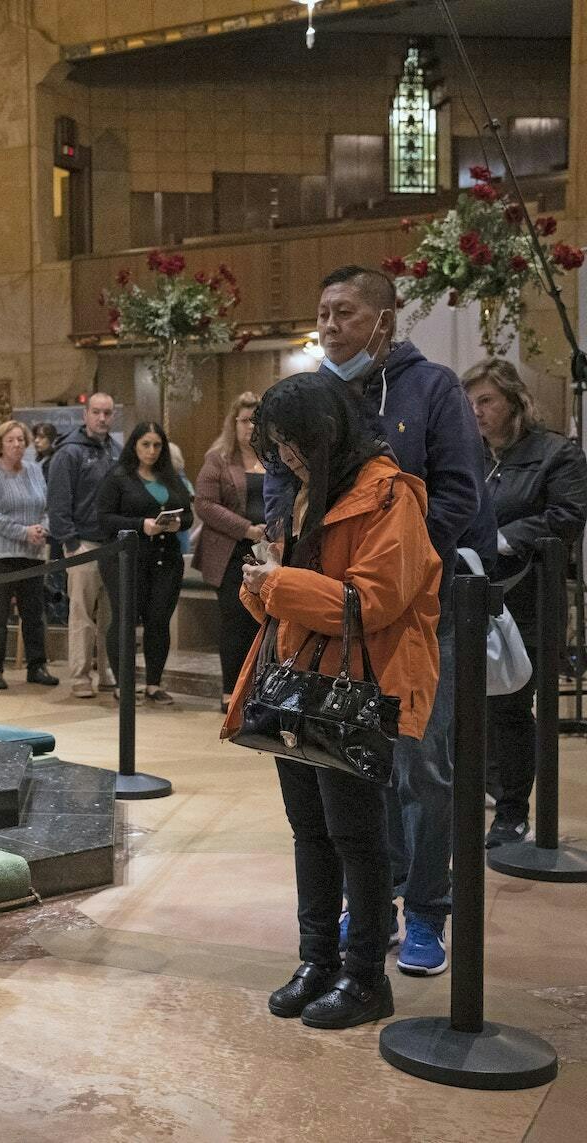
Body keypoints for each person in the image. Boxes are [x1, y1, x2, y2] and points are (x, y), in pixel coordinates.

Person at [268, 265, 491, 977]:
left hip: (415, 611)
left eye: (344, 312)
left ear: (385, 320)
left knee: (421, 766)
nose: (329, 325)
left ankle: (426, 909)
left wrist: (398, 565)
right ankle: (374, 907)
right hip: (331, 617)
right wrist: (286, 547)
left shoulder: (433, 390)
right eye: (322, 313)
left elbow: (460, 492)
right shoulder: (316, 394)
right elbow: (284, 482)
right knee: (351, 764)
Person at [226, 372, 441, 1030]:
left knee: (358, 837)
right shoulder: (307, 494)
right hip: (298, 682)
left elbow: (370, 602)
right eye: (277, 445)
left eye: (295, 444)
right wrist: (261, 585)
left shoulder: (389, 495)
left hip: (355, 686)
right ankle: (316, 960)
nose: (285, 457)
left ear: (325, 434)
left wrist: (281, 582)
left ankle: (366, 977)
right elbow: (296, 600)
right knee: (309, 832)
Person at [462, 359, 587, 847]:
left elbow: (568, 517)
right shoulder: (471, 454)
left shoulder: (557, 453)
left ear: (514, 401)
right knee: (472, 706)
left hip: (529, 600)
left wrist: (500, 539)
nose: (476, 412)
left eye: (486, 401)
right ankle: (491, 789)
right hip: (472, 596)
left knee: (510, 706)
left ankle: (512, 811)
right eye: (469, 403)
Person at [96, 421, 193, 704]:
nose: (151, 451)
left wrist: (177, 524)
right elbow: (104, 519)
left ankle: (153, 684)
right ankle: (123, 685)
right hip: (127, 560)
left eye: (157, 445)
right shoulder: (118, 477)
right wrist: (141, 524)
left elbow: (187, 514)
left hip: (166, 558)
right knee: (125, 620)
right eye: (145, 445)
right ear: (134, 446)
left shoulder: (170, 476)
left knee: (159, 621)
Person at [194, 391, 268, 712]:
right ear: (233, 423)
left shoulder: (274, 457)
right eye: (244, 420)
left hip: (268, 550)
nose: (250, 427)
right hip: (231, 552)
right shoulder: (218, 459)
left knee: (262, 622)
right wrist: (246, 528)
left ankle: (258, 688)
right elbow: (205, 504)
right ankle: (230, 690)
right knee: (235, 621)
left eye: (256, 420)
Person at [0, 419, 60, 691]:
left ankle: (37, 666)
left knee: (34, 613)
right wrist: (23, 532)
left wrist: (42, 529)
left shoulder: (35, 470)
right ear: (1, 444)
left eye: (21, 440)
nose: (17, 445)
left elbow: (46, 507)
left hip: (33, 553)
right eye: (11, 440)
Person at [46, 392, 119, 699]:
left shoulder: (116, 450)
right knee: (81, 613)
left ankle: (106, 672)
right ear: (85, 414)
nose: (102, 418)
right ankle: (79, 675)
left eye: (107, 413)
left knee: (111, 616)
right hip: (83, 544)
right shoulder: (69, 452)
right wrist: (70, 542)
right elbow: (58, 501)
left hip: (113, 545)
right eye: (97, 412)